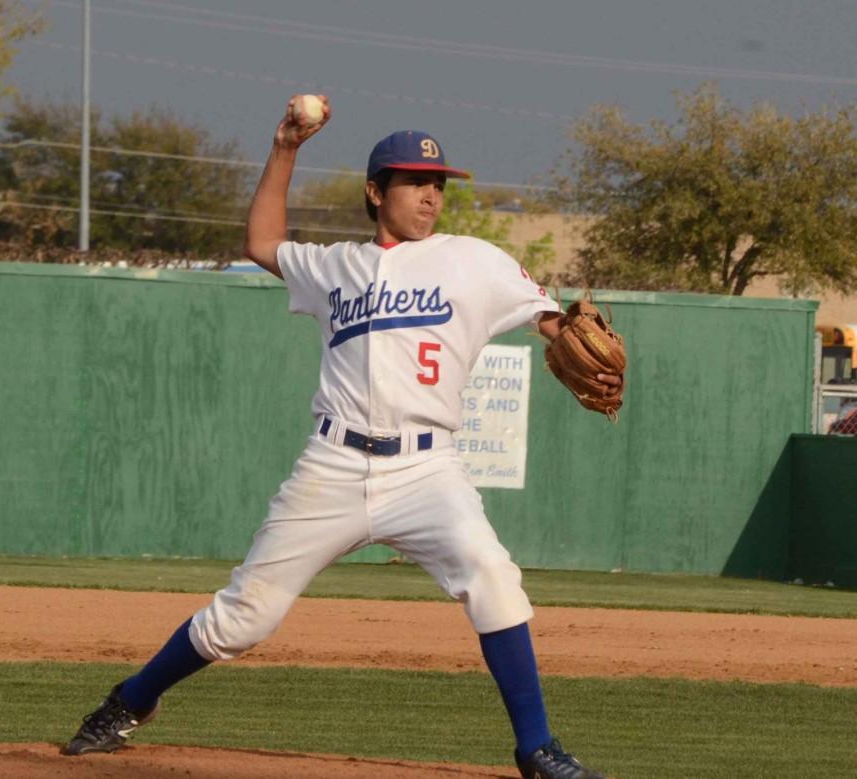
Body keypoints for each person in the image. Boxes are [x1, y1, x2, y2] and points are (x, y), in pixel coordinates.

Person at [64, 95, 621, 779]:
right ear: (375, 190)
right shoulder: (335, 267)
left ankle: (537, 747)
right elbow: (262, 243)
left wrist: (568, 335)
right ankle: (129, 700)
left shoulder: (475, 259)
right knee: (243, 618)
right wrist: (286, 148)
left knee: (492, 576)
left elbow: (549, 320)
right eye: (415, 181)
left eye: (437, 183)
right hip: (333, 461)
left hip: (428, 470)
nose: (429, 196)